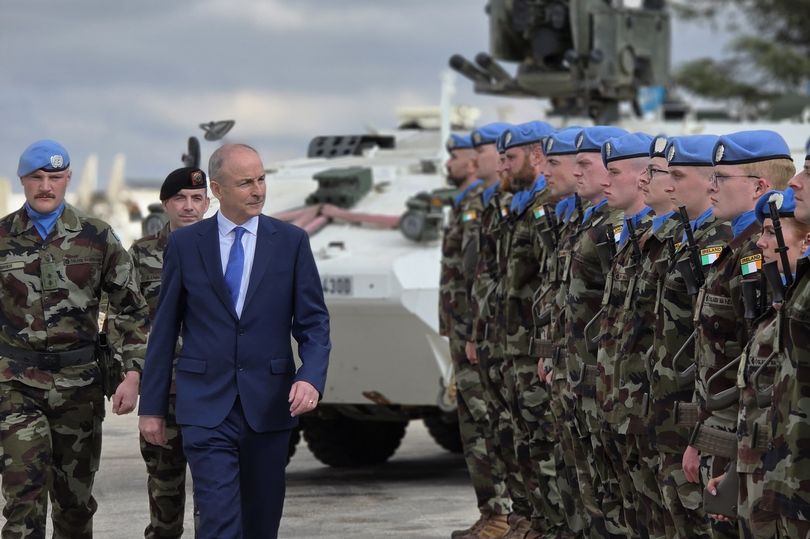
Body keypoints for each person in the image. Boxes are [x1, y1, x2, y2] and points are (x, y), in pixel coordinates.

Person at [138, 143, 331, 539]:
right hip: (206, 406)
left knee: (261, 523)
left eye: (261, 179)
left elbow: (313, 323)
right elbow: (165, 329)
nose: (258, 190)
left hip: (269, 405)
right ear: (218, 189)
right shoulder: (186, 245)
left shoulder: (291, 242)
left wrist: (311, 377)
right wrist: (152, 407)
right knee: (218, 522)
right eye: (245, 183)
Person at [0, 139, 150, 537]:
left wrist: (133, 374)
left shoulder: (97, 237)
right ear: (23, 180)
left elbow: (131, 309)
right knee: (23, 498)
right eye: (36, 177)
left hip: (79, 387)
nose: (45, 186)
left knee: (74, 505)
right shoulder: (1, 237)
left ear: (68, 178)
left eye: (54, 177)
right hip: (16, 386)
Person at [649, 135, 732, 539]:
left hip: (703, 412)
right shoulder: (685, 236)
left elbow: (721, 348)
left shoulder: (724, 242)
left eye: (678, 176)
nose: (668, 185)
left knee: (700, 517)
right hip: (671, 402)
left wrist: (699, 434)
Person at [130, 166, 210, 539]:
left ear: (208, 203)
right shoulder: (142, 253)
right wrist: (130, 376)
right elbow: (127, 319)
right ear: (165, 204)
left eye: (196, 198)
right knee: (165, 491)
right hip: (165, 391)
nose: (188, 206)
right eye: (180, 198)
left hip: (213, 390)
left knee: (215, 492)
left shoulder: (225, 248)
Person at [441, 132, 512, 539]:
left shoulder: (493, 203)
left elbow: (480, 273)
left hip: (480, 330)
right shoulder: (474, 201)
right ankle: (493, 511)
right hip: (465, 327)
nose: (452, 163)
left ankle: (504, 511)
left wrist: (474, 329)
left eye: (464, 154)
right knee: (473, 424)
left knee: (488, 422)